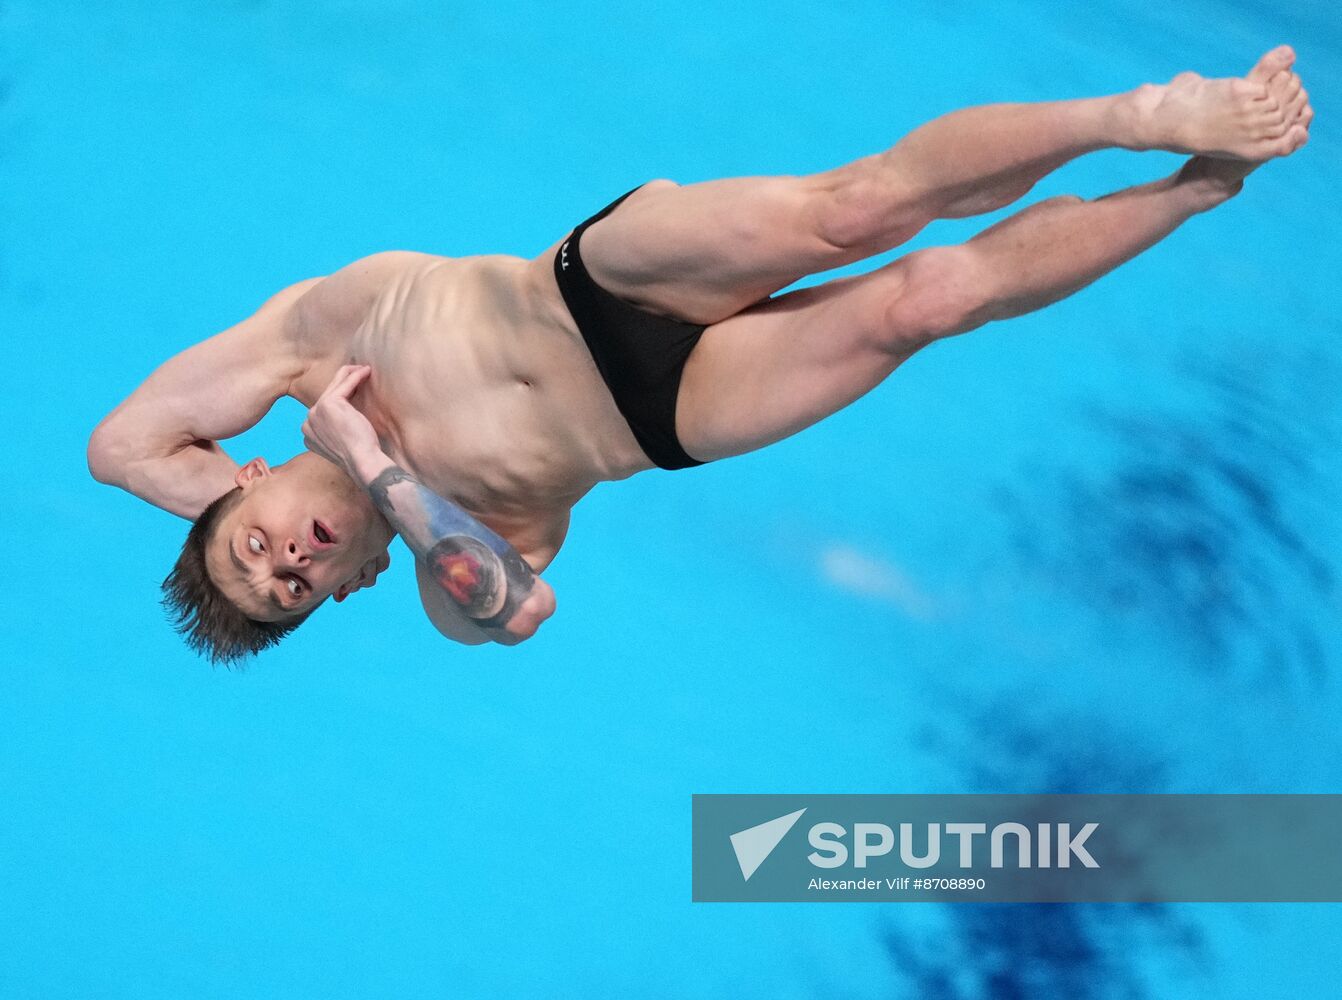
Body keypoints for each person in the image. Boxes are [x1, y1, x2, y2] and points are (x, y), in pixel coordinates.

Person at [88, 47, 1312, 663]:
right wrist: (368, 464)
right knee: (928, 299)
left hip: (586, 286)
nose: (288, 558)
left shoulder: (302, 346)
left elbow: (117, 447)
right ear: (342, 592)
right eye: (291, 587)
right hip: (666, 413)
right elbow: (520, 616)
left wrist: (226, 509)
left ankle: (1141, 115)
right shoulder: (443, 561)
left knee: (858, 209)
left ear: (242, 477)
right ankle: (1199, 186)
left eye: (256, 546)